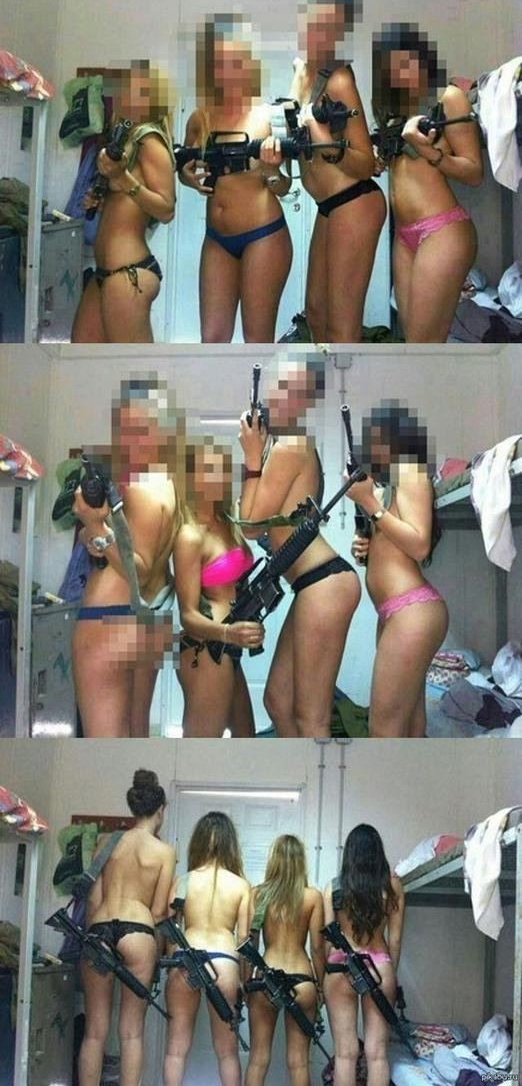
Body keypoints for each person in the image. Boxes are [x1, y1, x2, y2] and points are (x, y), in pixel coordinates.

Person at [237, 356, 361, 737]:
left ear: (310, 402)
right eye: (282, 387)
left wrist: (251, 458)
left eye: (300, 392)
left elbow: (250, 525)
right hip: (313, 583)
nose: (287, 398)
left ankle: (316, 771)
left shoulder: (291, 445)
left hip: (324, 582)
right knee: (277, 700)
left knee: (311, 717)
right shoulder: (282, 446)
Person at [272, 0, 385, 340]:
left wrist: (323, 138)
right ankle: (326, 379)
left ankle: (348, 381)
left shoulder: (339, 79)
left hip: (355, 200)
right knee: (317, 316)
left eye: (331, 26)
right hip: (328, 206)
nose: (319, 33)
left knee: (341, 326)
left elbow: (365, 163)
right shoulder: (303, 72)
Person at [70, 375, 181, 736]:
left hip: (109, 622)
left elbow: (140, 571)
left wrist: (94, 525)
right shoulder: (167, 484)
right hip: (146, 622)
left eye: (139, 429)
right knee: (134, 738)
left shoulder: (142, 488)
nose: (127, 440)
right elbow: (132, 550)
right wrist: (96, 535)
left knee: (104, 747)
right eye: (123, 428)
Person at [180, 13, 293, 341]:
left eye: (234, 61)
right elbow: (185, 166)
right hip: (216, 239)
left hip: (264, 235)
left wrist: (270, 170)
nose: (226, 71)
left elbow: (284, 187)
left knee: (256, 341)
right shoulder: (200, 118)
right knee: (212, 341)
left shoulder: (267, 116)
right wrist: (188, 180)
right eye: (219, 63)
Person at [372, 22, 483, 340]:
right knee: (413, 343)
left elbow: (474, 172)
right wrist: (381, 160)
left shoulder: (449, 98)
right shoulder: (394, 110)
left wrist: (426, 150)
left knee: (424, 344)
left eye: (406, 62)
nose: (400, 73)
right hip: (403, 236)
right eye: (391, 68)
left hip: (442, 230)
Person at [350, 403, 449, 737]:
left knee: (382, 728)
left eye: (377, 438)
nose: (371, 448)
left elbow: (419, 545)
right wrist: (364, 547)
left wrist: (369, 504)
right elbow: (393, 544)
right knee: (409, 722)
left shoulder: (411, 472)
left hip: (412, 611)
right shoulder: (389, 485)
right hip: (395, 613)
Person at [79, 769, 174, 1086]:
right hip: (138, 930)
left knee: (94, 1031)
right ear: (160, 810)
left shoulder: (107, 841)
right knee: (131, 1032)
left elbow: (94, 899)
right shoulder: (164, 852)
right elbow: (159, 911)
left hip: (100, 928)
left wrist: (95, 937)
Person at [71, 61, 175, 340]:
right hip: (104, 271)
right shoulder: (124, 139)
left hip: (129, 272)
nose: (128, 97)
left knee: (132, 364)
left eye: (139, 91)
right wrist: (101, 203)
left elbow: (166, 210)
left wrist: (123, 179)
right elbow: (127, 206)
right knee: (82, 352)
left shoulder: (149, 140)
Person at [173, 436, 263, 737]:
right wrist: (228, 633)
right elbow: (187, 615)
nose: (216, 478)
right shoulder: (190, 536)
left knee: (245, 739)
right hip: (205, 648)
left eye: (221, 470)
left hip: (229, 647)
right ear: (191, 477)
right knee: (201, 745)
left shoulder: (230, 521)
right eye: (206, 470)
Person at [163, 812, 250, 1086]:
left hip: (185, 958)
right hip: (224, 960)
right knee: (227, 1053)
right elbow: (244, 940)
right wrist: (243, 980)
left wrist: (170, 962)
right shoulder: (241, 886)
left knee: (176, 1050)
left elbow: (169, 928)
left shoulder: (184, 881)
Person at [323, 824, 405, 1086]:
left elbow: (328, 937)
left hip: (340, 966)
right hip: (379, 965)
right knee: (377, 1054)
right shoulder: (392, 885)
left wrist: (325, 972)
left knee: (345, 1054)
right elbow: (395, 939)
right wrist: (390, 972)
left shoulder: (333, 887)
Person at [244, 834, 325, 1086]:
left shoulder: (258, 894)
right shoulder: (312, 897)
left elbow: (249, 945)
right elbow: (318, 948)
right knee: (299, 1062)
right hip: (302, 979)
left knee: (258, 1059)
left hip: (266, 979)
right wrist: (321, 987)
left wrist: (245, 983)